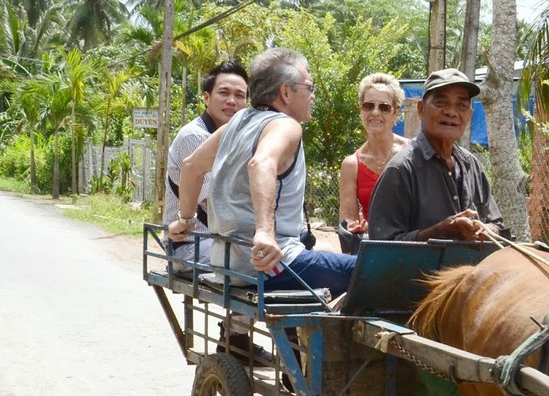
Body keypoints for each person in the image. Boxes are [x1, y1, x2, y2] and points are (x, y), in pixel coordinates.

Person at [169, 48, 355, 296]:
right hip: (269, 265)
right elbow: (261, 164)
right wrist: (265, 233)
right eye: (309, 87)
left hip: (227, 264)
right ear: (286, 92)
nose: (313, 95)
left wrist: (185, 220)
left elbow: (192, 166)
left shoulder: (239, 120)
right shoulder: (286, 125)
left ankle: (291, 334)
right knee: (376, 271)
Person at [367, 68, 508, 243]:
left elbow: (497, 226)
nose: (451, 112)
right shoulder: (401, 170)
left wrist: (485, 229)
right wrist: (441, 232)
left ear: (469, 115)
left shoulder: (472, 165)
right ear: (420, 109)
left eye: (461, 105)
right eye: (441, 102)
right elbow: (381, 248)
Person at [163, 59, 249, 269]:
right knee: (266, 266)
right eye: (224, 93)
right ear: (206, 98)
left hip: (223, 242)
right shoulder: (195, 136)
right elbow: (217, 201)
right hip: (190, 243)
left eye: (239, 95)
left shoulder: (235, 138)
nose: (231, 101)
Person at [338, 73, 408, 242]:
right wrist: (355, 228)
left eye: (384, 107)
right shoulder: (351, 164)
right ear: (361, 110)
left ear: (395, 113)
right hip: (374, 246)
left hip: (413, 244)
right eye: (369, 106)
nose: (375, 112)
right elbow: (347, 221)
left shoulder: (413, 152)